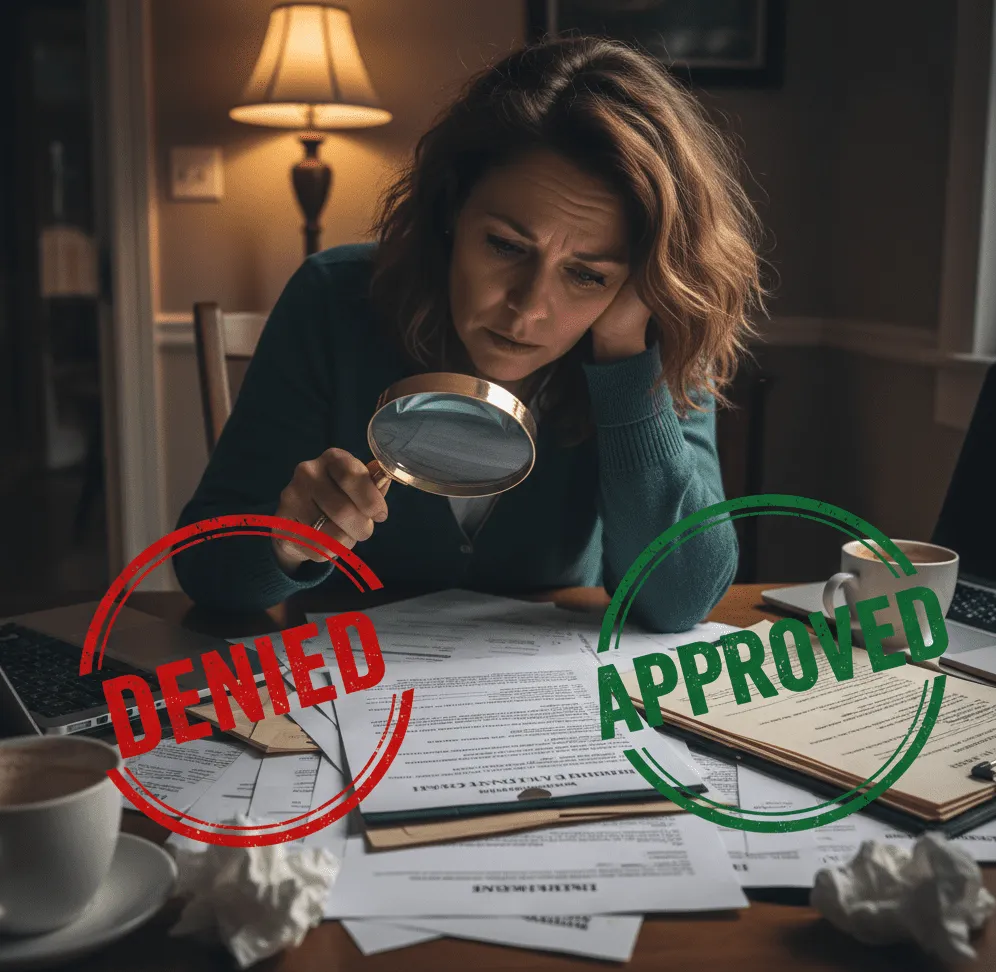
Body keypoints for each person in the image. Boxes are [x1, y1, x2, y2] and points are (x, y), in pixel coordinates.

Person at [173, 35, 765, 632]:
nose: (528, 308)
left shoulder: (651, 335)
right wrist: (286, 543)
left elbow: (679, 600)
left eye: (586, 274)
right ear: (452, 207)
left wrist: (625, 359)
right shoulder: (333, 299)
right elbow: (205, 570)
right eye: (506, 245)